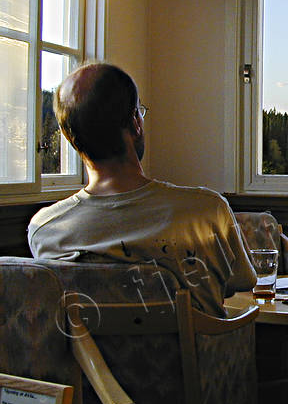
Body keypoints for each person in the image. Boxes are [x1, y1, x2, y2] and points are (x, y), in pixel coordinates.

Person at [28, 62, 257, 317]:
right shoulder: (207, 210)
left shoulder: (45, 230)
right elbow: (243, 281)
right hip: (195, 356)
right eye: (139, 112)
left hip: (87, 359)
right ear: (135, 123)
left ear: (70, 138)